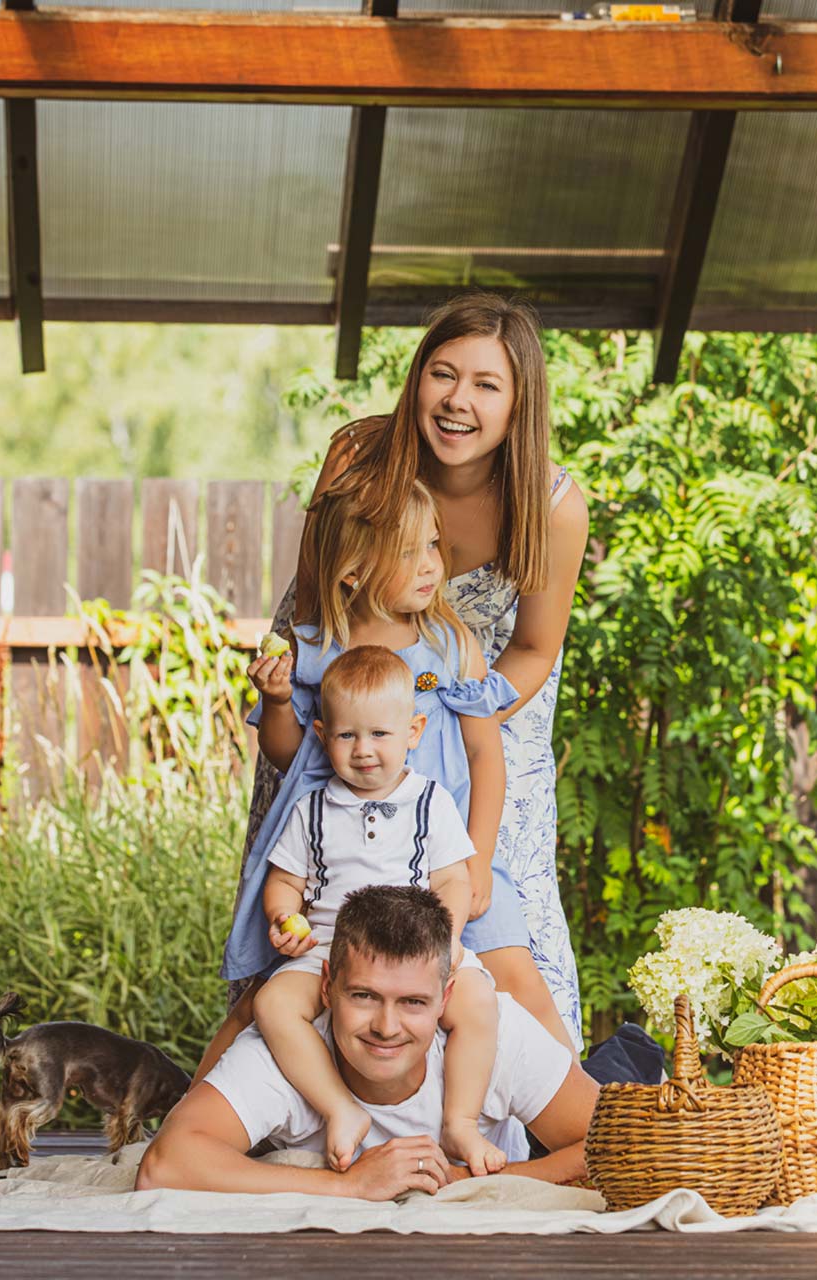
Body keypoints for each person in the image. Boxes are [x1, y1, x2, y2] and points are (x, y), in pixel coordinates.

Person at [199, 291, 589, 1081]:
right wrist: (342, 710)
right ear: (417, 378)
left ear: (519, 403)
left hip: (476, 698)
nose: (457, 400)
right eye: (443, 374)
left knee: (494, 922)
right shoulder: (358, 456)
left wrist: (445, 713)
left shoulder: (551, 504)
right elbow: (319, 601)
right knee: (318, 906)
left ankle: (544, 1105)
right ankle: (289, 1094)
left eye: (486, 384)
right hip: (342, 688)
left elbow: (533, 649)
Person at [142, 885, 600, 1200]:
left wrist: (461, 1180)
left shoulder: (495, 1034)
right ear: (327, 987)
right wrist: (351, 1186)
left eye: (413, 1002)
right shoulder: (286, 1049)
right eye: (364, 996)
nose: (386, 1026)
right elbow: (165, 1163)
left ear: (445, 999)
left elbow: (618, 1145)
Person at [251, 645, 507, 1175]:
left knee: (480, 1002)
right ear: (322, 735)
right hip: (330, 950)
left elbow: (453, 880)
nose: (364, 750)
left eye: (380, 734)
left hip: (415, 953)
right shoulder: (312, 809)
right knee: (273, 1003)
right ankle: (338, 1108)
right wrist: (283, 918)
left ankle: (460, 1121)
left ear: (413, 732)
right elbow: (285, 882)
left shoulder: (430, 802)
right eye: (347, 735)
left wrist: (447, 941)